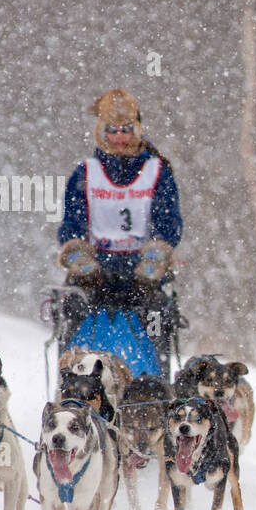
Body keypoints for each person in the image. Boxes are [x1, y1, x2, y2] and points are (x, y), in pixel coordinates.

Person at [55, 88, 183, 367]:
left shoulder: (157, 171)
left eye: (126, 130)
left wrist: (155, 260)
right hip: (95, 275)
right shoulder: (85, 173)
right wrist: (81, 261)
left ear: (136, 130)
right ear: (101, 131)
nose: (119, 138)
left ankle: (155, 389)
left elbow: (169, 225)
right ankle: (72, 387)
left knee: (156, 316)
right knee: (72, 308)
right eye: (112, 130)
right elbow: (71, 227)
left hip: (143, 276)